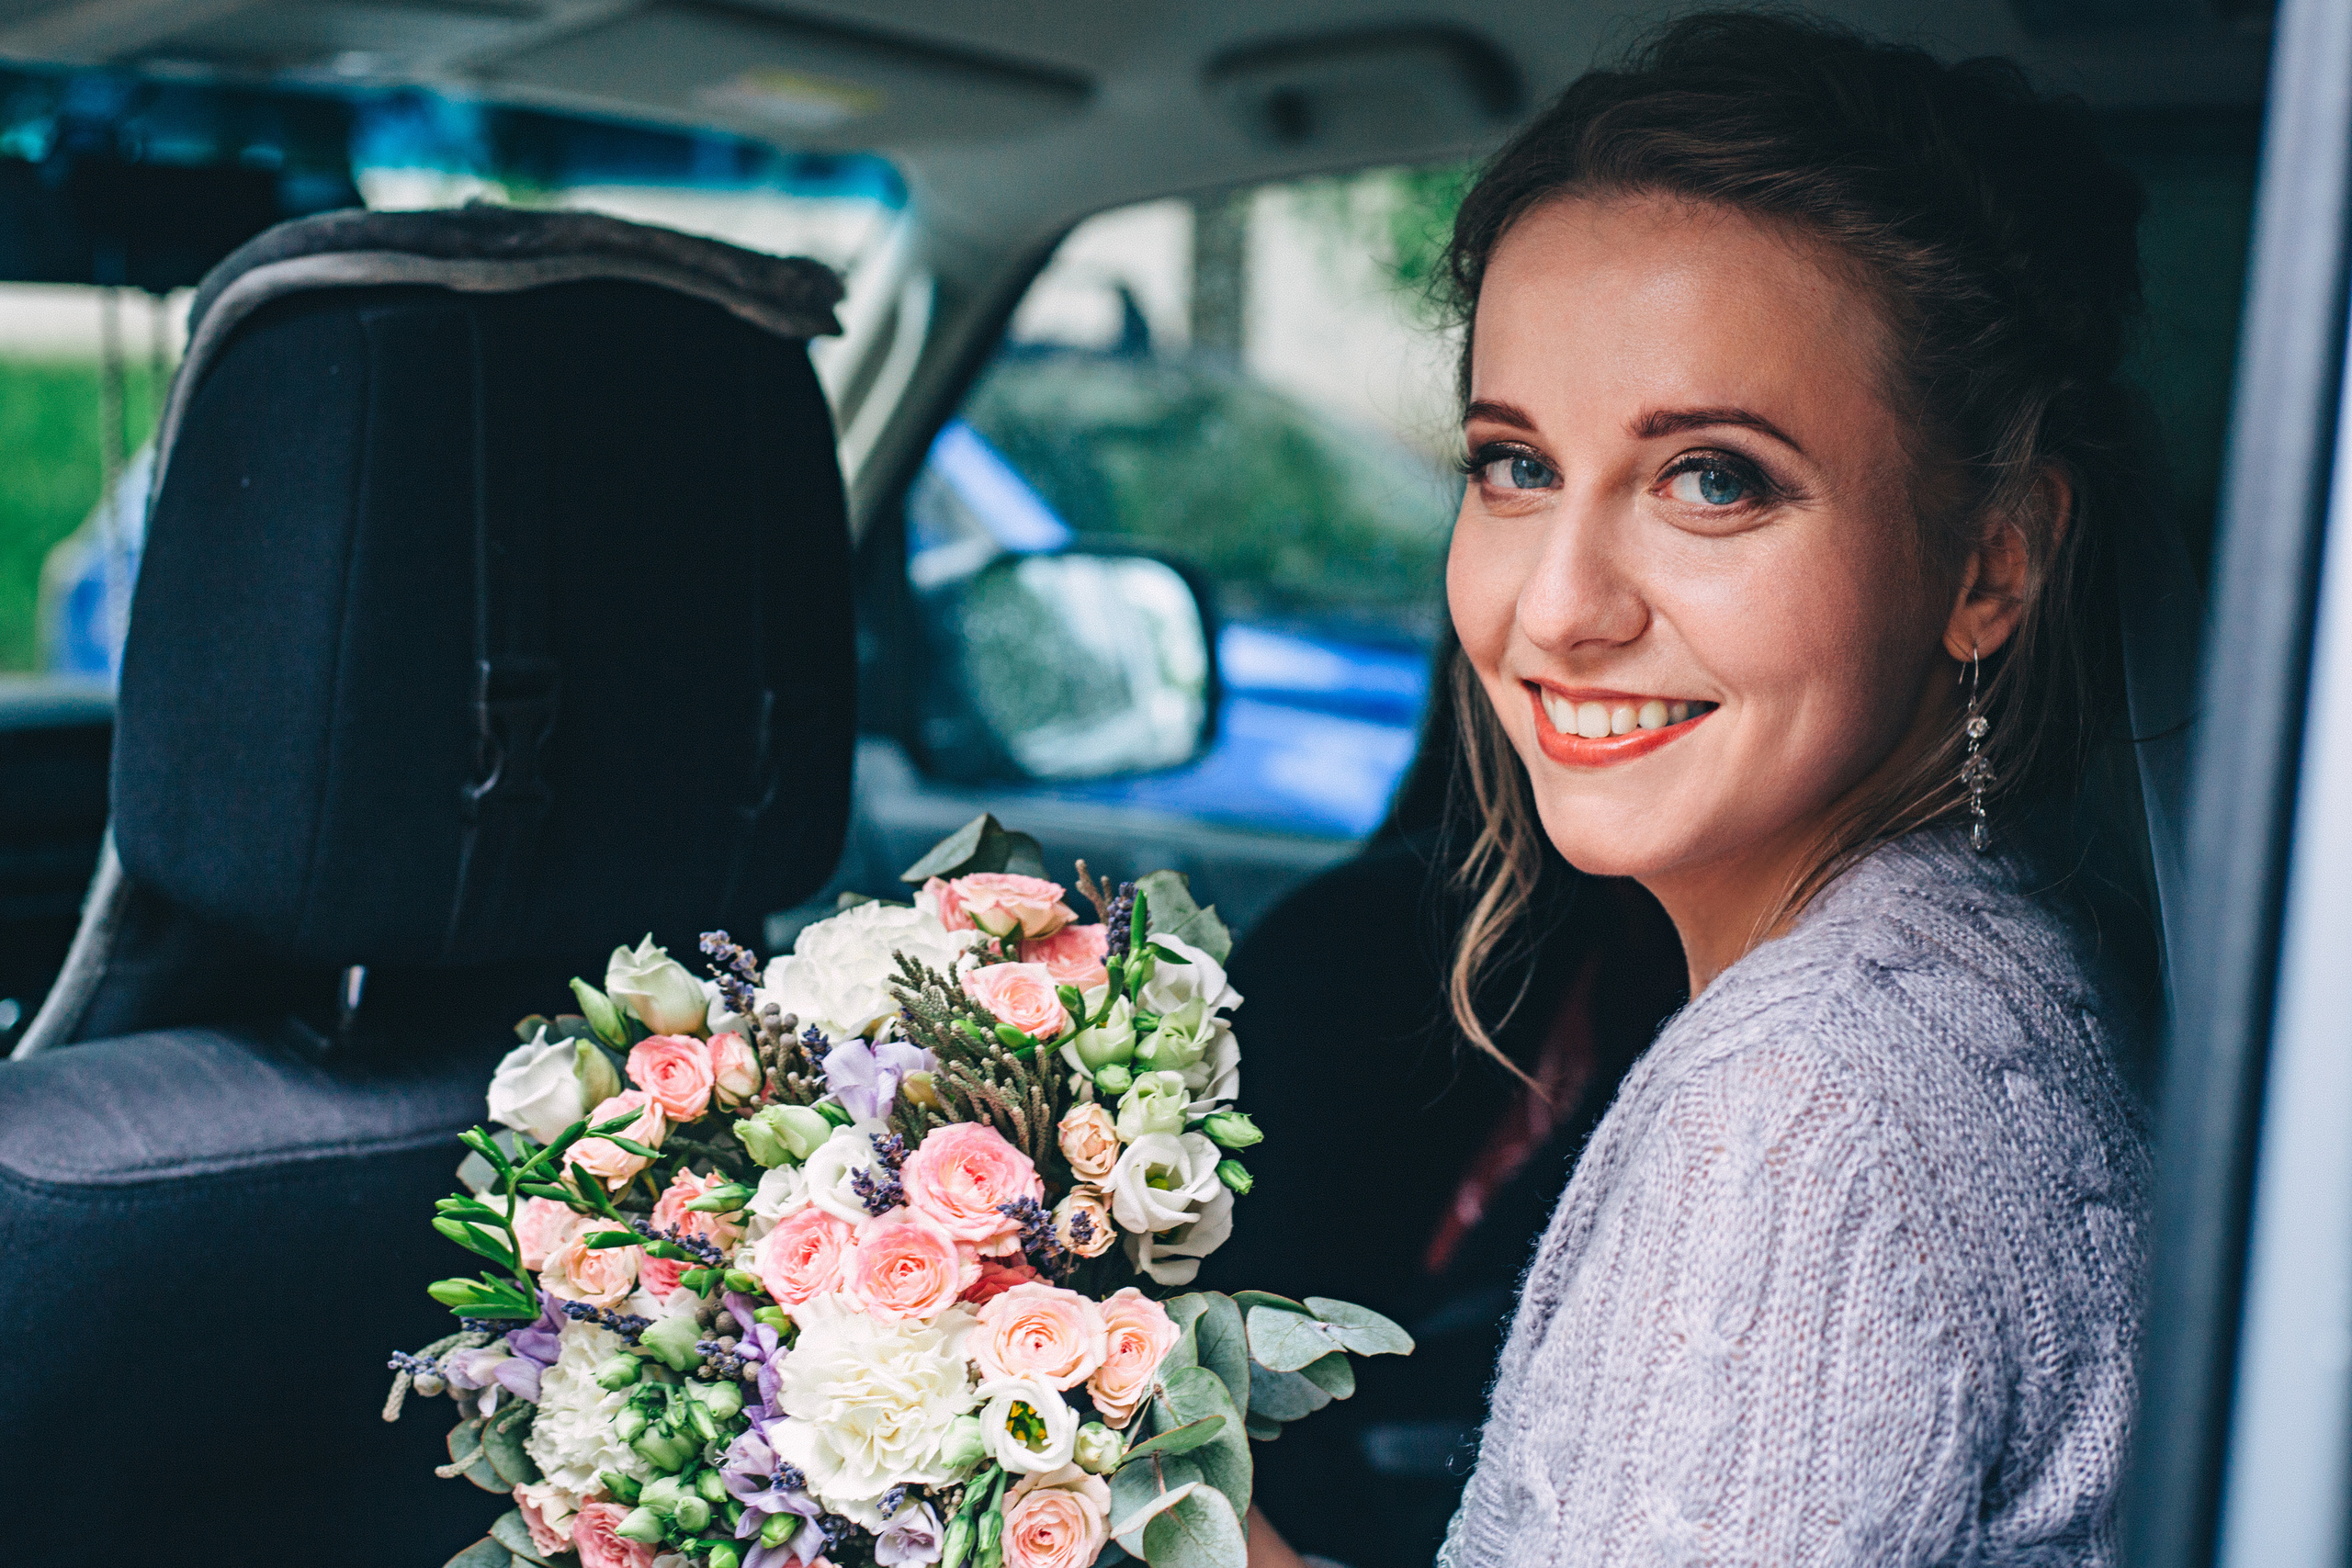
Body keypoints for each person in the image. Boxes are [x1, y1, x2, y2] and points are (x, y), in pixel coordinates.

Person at [1248, 13, 2161, 1566]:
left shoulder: (1797, 1112)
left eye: (1712, 478)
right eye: (1514, 465)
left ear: (1992, 560)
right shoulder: (1988, 971)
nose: (1557, 609)